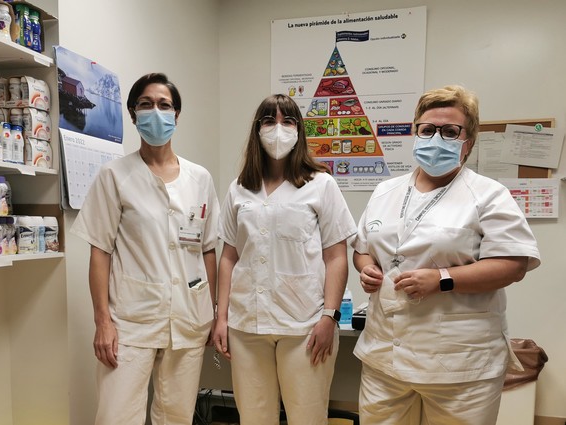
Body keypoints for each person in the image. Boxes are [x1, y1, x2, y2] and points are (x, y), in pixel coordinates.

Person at [352, 85, 541, 425]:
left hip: (459, 364)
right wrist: (366, 269)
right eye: (427, 129)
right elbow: (362, 250)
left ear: (469, 141)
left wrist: (442, 279)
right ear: (416, 133)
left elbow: (513, 265)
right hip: (385, 356)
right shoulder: (385, 191)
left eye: (450, 131)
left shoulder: (488, 195)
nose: (436, 138)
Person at [71, 73, 219, 425]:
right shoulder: (114, 175)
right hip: (129, 322)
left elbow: (208, 250)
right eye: (146, 104)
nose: (156, 111)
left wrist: (210, 312)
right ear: (133, 114)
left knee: (176, 417)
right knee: (116, 417)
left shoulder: (200, 178)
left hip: (188, 318)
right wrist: (102, 322)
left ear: (176, 115)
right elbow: (100, 252)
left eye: (164, 105)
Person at [213, 94, 357, 424]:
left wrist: (330, 317)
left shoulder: (321, 184)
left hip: (304, 326)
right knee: (253, 417)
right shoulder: (239, 188)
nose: (278, 129)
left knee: (307, 417)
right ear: (257, 129)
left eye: (288, 121)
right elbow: (229, 257)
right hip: (247, 324)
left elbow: (336, 257)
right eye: (269, 121)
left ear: (299, 130)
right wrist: (221, 317)